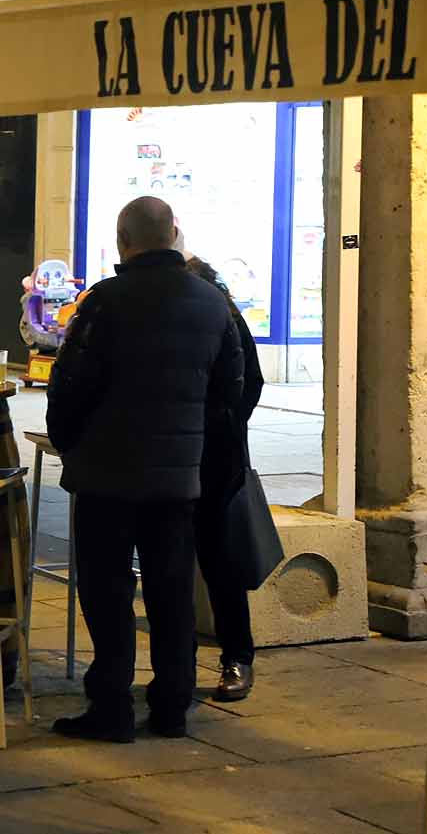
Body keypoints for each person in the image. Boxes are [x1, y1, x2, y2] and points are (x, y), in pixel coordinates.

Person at [46, 196, 244, 742]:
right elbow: (234, 390)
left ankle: (110, 705)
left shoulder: (105, 303)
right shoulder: (213, 304)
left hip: (106, 474)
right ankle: (172, 704)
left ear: (123, 241)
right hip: (179, 477)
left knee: (108, 593)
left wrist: (70, 443)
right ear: (175, 234)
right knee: (172, 590)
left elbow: (70, 385)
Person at [186, 256, 264, 702]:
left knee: (221, 565)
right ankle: (181, 661)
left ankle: (238, 656)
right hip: (177, 456)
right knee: (177, 563)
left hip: (215, 461)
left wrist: (222, 426)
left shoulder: (224, 316)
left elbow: (248, 383)